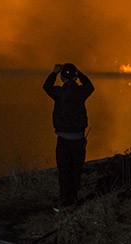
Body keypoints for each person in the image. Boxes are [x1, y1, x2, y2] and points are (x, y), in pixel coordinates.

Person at [43, 62, 95, 209]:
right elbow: (91, 86)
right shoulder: (81, 92)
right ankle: (73, 199)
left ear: (62, 78)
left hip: (63, 140)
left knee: (64, 171)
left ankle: (65, 202)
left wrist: (53, 73)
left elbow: (46, 87)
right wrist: (81, 74)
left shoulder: (59, 93)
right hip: (78, 139)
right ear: (75, 77)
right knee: (76, 170)